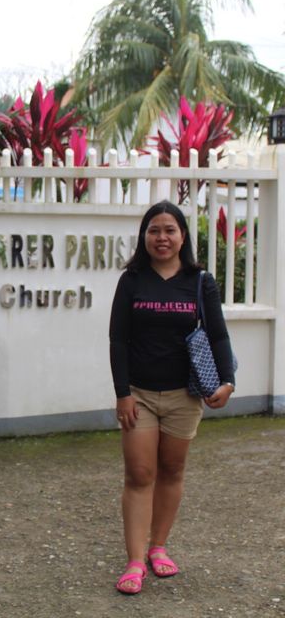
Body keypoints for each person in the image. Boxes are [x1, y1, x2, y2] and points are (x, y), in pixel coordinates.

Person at [109, 201, 235, 595]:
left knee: (172, 471)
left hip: (185, 395)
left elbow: (217, 334)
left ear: (182, 236)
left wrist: (227, 381)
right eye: (153, 230)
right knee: (139, 474)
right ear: (144, 236)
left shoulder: (200, 281)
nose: (161, 238)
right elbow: (118, 340)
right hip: (140, 396)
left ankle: (158, 547)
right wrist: (123, 394)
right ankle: (134, 561)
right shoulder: (132, 280)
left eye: (169, 230)